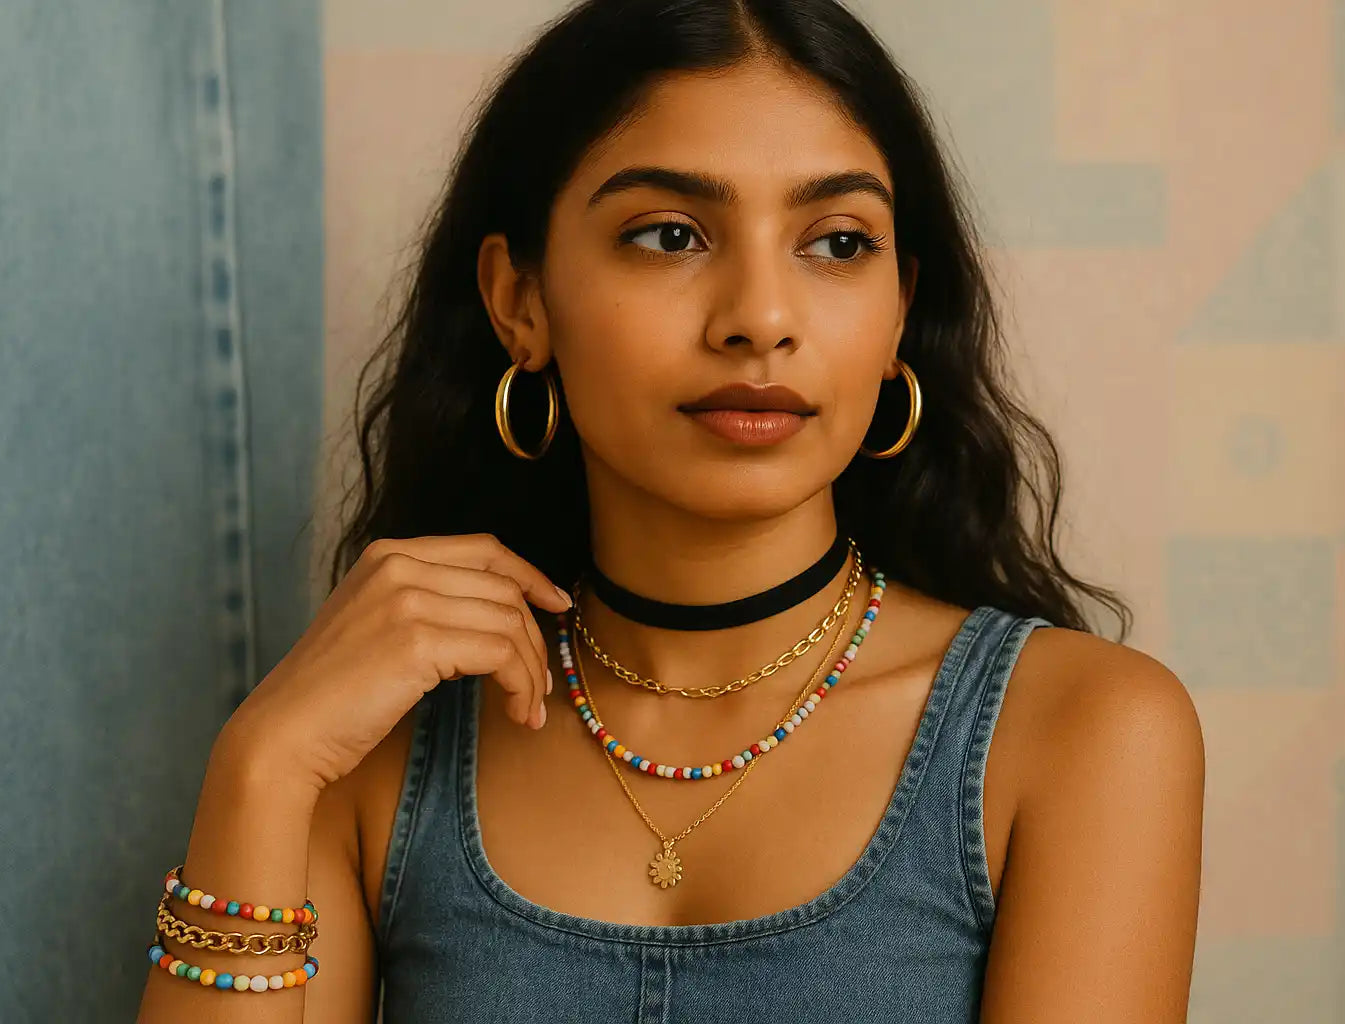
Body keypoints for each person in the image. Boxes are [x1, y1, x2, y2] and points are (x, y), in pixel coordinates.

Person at [137, 0, 1204, 1020]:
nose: (760, 318)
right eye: (669, 235)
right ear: (521, 301)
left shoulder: (1080, 733)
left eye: (836, 242)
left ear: (898, 317)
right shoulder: (373, 744)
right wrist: (264, 765)